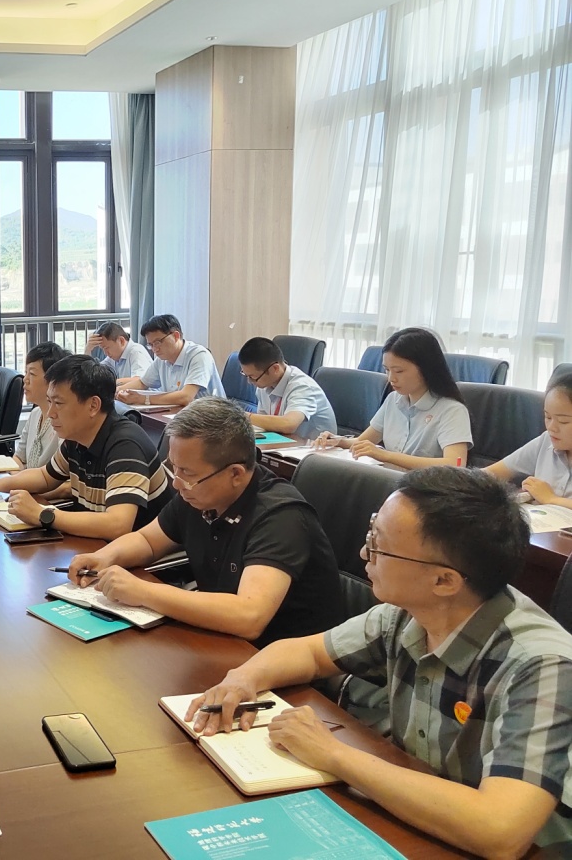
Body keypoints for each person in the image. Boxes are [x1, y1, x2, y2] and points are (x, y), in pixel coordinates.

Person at [186, 467, 572, 856]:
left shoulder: (541, 664)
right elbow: (308, 653)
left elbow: (501, 831)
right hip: (422, 813)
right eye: (372, 534)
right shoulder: (410, 612)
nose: (362, 554)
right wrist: (242, 679)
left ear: (444, 581)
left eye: (378, 546)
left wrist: (333, 754)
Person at [68, 398, 341, 646]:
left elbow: (249, 616)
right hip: (220, 641)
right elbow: (148, 540)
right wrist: (105, 556)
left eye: (187, 473)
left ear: (235, 474)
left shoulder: (281, 517)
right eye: (173, 467)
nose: (176, 483)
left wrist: (143, 591)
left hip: (283, 662)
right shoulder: (197, 494)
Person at [0, 355, 169, 540]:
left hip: (140, 561)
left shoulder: (125, 446)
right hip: (94, 545)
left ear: (93, 406)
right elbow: (45, 477)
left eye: (59, 404)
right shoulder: (77, 436)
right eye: (49, 402)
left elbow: (118, 525)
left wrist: (43, 514)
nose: (51, 413)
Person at [314, 327, 471, 470]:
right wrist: (339, 441)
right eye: (387, 370)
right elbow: (364, 442)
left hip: (423, 488)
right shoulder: (393, 400)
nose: (391, 379)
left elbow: (454, 463)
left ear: (426, 369)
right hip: (388, 480)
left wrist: (386, 455)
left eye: (399, 371)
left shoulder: (452, 410)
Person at [486, 371, 572, 508]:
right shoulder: (546, 441)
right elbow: (492, 473)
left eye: (563, 421)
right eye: (548, 417)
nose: (551, 427)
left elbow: (548, 498)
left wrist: (551, 499)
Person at [238, 336, 337, 439]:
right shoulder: (264, 385)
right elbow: (263, 424)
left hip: (315, 447)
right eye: (246, 375)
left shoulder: (302, 387)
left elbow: (289, 424)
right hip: (285, 444)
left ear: (275, 369)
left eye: (253, 377)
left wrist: (243, 416)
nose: (249, 381)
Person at [117, 314, 224, 407]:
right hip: (181, 415)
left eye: (158, 342)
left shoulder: (199, 355)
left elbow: (186, 397)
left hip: (212, 418)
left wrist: (144, 399)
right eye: (151, 345)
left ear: (176, 336)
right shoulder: (161, 360)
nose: (155, 349)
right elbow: (142, 383)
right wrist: (117, 391)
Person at [13, 341, 69, 470]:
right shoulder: (35, 414)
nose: (25, 379)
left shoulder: (63, 422)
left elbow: (61, 477)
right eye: (26, 372)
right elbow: (19, 458)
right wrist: (17, 477)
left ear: (52, 380)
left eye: (32, 374)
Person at [85, 321, 151, 386]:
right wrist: (87, 350)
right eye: (103, 349)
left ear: (121, 341)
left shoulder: (136, 352)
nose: (105, 353)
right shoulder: (114, 357)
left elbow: (140, 380)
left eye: (107, 348)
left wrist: (111, 383)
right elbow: (93, 374)